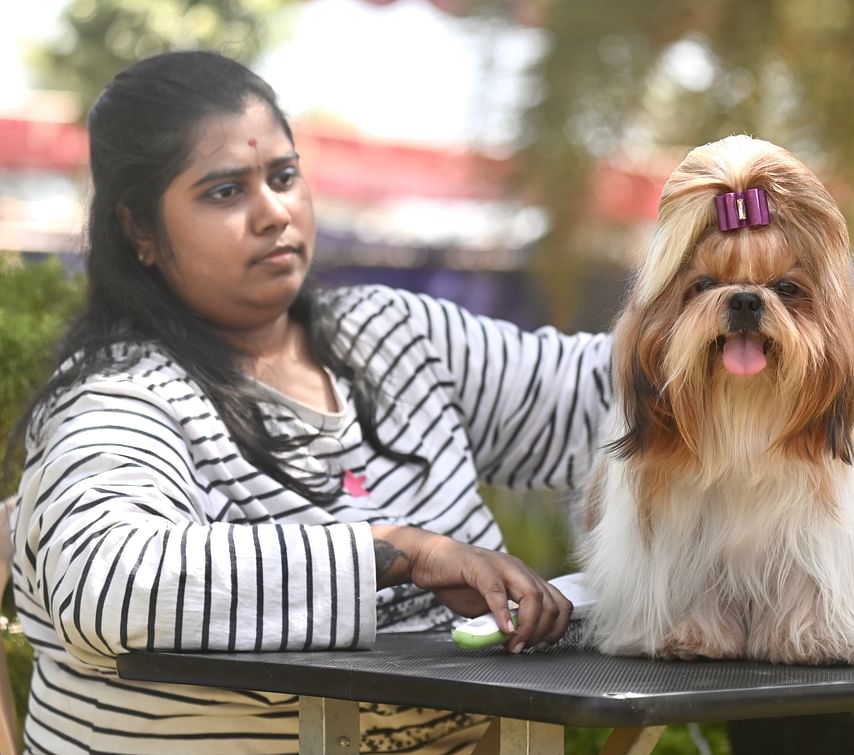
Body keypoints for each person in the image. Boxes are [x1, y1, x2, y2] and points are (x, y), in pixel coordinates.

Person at [6, 50, 611, 754]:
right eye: (225, 192)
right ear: (140, 230)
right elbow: (115, 582)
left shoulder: (392, 338)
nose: (274, 213)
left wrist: (722, 295)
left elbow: (608, 398)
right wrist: (403, 554)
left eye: (284, 176)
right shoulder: (117, 396)